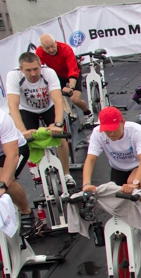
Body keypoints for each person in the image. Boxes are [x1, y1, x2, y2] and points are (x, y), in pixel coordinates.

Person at [81, 107, 141, 238]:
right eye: (107, 130)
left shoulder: (136, 130)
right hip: (118, 168)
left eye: (114, 129)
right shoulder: (97, 133)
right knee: (117, 195)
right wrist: (86, 184)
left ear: (123, 122)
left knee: (134, 183)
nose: (111, 134)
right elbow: (90, 159)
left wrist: (135, 184)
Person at [6, 52, 75, 189]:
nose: (33, 73)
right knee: (28, 140)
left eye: (35, 69)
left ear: (40, 66)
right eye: (28, 70)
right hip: (27, 110)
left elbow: (58, 100)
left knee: (60, 138)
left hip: (48, 107)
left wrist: (58, 124)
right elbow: (13, 106)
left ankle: (66, 174)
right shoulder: (13, 76)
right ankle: (38, 169)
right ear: (21, 69)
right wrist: (22, 131)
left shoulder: (48, 73)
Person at [36, 34, 93, 127]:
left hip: (72, 72)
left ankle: (87, 113)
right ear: (42, 48)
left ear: (55, 43)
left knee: (74, 98)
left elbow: (72, 69)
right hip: (57, 74)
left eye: (52, 46)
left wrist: (71, 87)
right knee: (56, 96)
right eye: (47, 48)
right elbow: (39, 69)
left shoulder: (65, 48)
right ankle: (69, 115)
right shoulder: (39, 52)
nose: (50, 50)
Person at [0, 110, 36, 238]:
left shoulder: (2, 118)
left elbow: (12, 155)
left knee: (5, 180)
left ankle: (26, 213)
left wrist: (3, 185)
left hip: (15, 149)